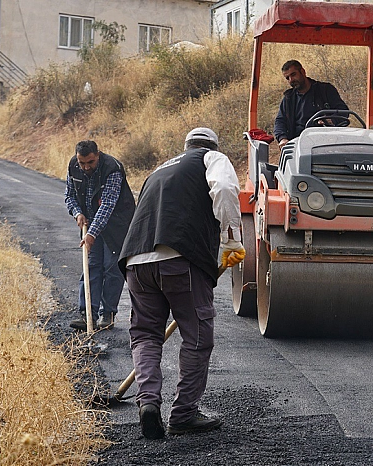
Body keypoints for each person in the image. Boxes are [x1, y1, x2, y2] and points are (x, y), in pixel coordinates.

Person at [119, 127, 245, 439]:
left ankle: (148, 402)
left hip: (136, 261)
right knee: (197, 337)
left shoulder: (160, 168)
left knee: (146, 335)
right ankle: (184, 414)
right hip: (180, 260)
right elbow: (226, 189)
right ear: (211, 146)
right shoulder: (212, 158)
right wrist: (231, 242)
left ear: (185, 146)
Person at [64, 140, 135, 331]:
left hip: (116, 223)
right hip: (88, 223)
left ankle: (108, 313)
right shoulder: (73, 166)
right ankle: (87, 313)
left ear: (98, 155)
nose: (86, 167)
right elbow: (69, 196)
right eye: (82, 163)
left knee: (112, 268)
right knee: (91, 265)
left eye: (90, 162)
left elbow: (108, 205)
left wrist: (92, 233)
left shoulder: (112, 168)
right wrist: (77, 213)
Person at [273, 59, 350, 146]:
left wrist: (331, 119)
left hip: (326, 140)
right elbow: (280, 121)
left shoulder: (325, 90)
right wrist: (282, 138)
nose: (291, 80)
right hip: (298, 142)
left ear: (303, 72)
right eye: (288, 78)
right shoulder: (288, 98)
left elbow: (343, 111)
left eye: (293, 75)